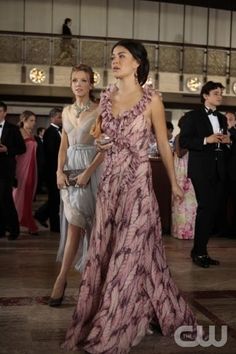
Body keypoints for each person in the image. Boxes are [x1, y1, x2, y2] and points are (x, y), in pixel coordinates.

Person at [62, 39, 198, 353]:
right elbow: (99, 138)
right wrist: (100, 146)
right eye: (113, 56)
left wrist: (176, 184)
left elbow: (164, 145)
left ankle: (114, 325)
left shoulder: (152, 99)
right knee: (113, 251)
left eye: (122, 55)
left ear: (137, 62)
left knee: (129, 253)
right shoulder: (106, 98)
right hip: (109, 184)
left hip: (138, 185)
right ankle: (144, 308)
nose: (115, 60)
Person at [48, 64, 103, 307]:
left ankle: (84, 282)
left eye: (83, 80)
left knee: (92, 229)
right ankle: (65, 280)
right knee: (74, 226)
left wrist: (88, 174)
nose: (78, 84)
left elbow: (104, 148)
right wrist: (59, 171)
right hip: (69, 174)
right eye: (74, 80)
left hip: (93, 172)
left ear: (91, 84)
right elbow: (63, 146)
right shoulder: (67, 110)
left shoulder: (101, 109)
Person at [179, 81, 230, 268]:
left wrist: (226, 141)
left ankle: (201, 251)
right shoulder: (193, 117)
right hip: (201, 169)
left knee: (211, 211)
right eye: (216, 93)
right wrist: (205, 140)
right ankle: (199, 252)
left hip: (219, 169)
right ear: (205, 96)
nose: (219, 96)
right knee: (206, 208)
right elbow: (184, 141)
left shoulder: (223, 119)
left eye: (221, 94)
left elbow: (222, 144)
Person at [0, 101, 26, 240]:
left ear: (5, 113)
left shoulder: (13, 129)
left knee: (6, 199)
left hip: (6, 170)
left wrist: (7, 149)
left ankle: (14, 230)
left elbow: (22, 148)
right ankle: (1, 230)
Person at [35, 107, 62, 232]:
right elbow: (51, 153)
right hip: (53, 170)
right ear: (52, 118)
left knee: (56, 198)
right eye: (59, 117)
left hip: (58, 169)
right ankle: (55, 226)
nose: (61, 119)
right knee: (55, 198)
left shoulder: (60, 130)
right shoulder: (50, 132)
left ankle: (41, 215)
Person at [171, 116, 197, 239]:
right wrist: (190, 145)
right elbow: (179, 153)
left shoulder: (186, 137)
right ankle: (182, 232)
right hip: (183, 171)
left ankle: (187, 231)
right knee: (182, 200)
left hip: (187, 169)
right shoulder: (180, 137)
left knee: (190, 202)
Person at [13, 110, 38, 235]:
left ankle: (27, 222)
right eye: (31, 120)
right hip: (21, 168)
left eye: (34, 121)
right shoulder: (18, 132)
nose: (33, 123)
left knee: (28, 195)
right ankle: (13, 222)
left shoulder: (31, 133)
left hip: (32, 167)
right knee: (18, 194)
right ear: (24, 120)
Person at [225, 111, 236, 238]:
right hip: (222, 174)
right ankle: (221, 229)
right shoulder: (220, 133)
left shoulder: (234, 133)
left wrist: (231, 129)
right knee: (220, 202)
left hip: (234, 174)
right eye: (226, 119)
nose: (228, 121)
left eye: (231, 119)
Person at [35, 127, 46, 194]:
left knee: (42, 175)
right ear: (40, 132)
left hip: (44, 161)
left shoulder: (46, 139)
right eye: (44, 131)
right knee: (38, 175)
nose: (45, 133)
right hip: (38, 160)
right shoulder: (36, 139)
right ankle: (37, 190)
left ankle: (40, 189)